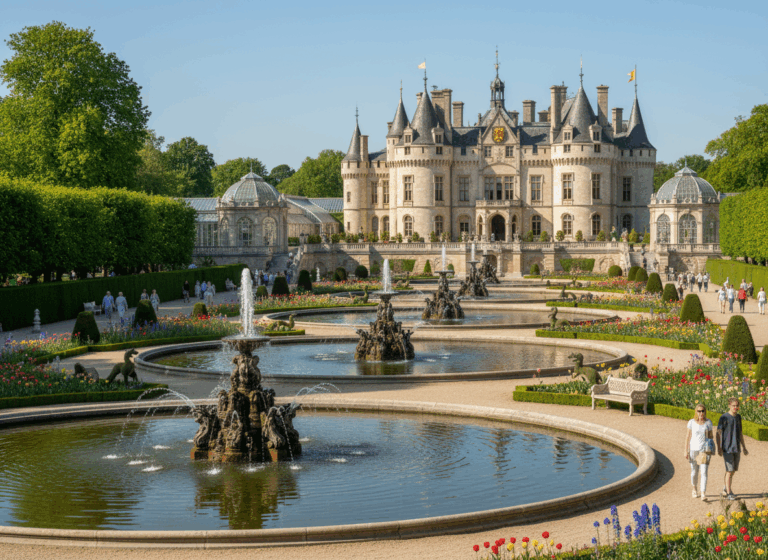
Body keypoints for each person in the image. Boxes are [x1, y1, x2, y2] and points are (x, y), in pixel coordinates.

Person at [716, 397, 748, 501]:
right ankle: (729, 493)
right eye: (733, 405)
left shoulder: (738, 417)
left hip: (736, 448)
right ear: (729, 405)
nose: (735, 407)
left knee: (733, 470)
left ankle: (726, 488)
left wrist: (744, 447)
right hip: (727, 448)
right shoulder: (724, 417)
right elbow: (718, 432)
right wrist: (719, 447)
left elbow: (740, 433)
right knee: (729, 471)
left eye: (737, 406)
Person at [685, 404, 713, 501]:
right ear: (696, 411)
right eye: (699, 411)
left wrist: (711, 447)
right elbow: (687, 437)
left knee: (704, 472)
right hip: (693, 450)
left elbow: (710, 436)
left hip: (704, 451)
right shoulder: (691, 422)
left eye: (702, 411)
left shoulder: (708, 423)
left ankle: (703, 493)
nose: (701, 413)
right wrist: (686, 450)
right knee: (694, 472)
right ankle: (694, 488)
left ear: (705, 412)